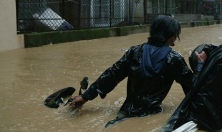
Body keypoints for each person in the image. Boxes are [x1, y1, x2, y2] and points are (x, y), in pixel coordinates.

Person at [70, 15, 206, 127]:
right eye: (176, 35)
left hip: (124, 113)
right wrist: (200, 65)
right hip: (152, 116)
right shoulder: (174, 59)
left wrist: (85, 97)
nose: (176, 38)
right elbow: (192, 89)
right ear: (171, 36)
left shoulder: (134, 52)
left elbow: (111, 75)